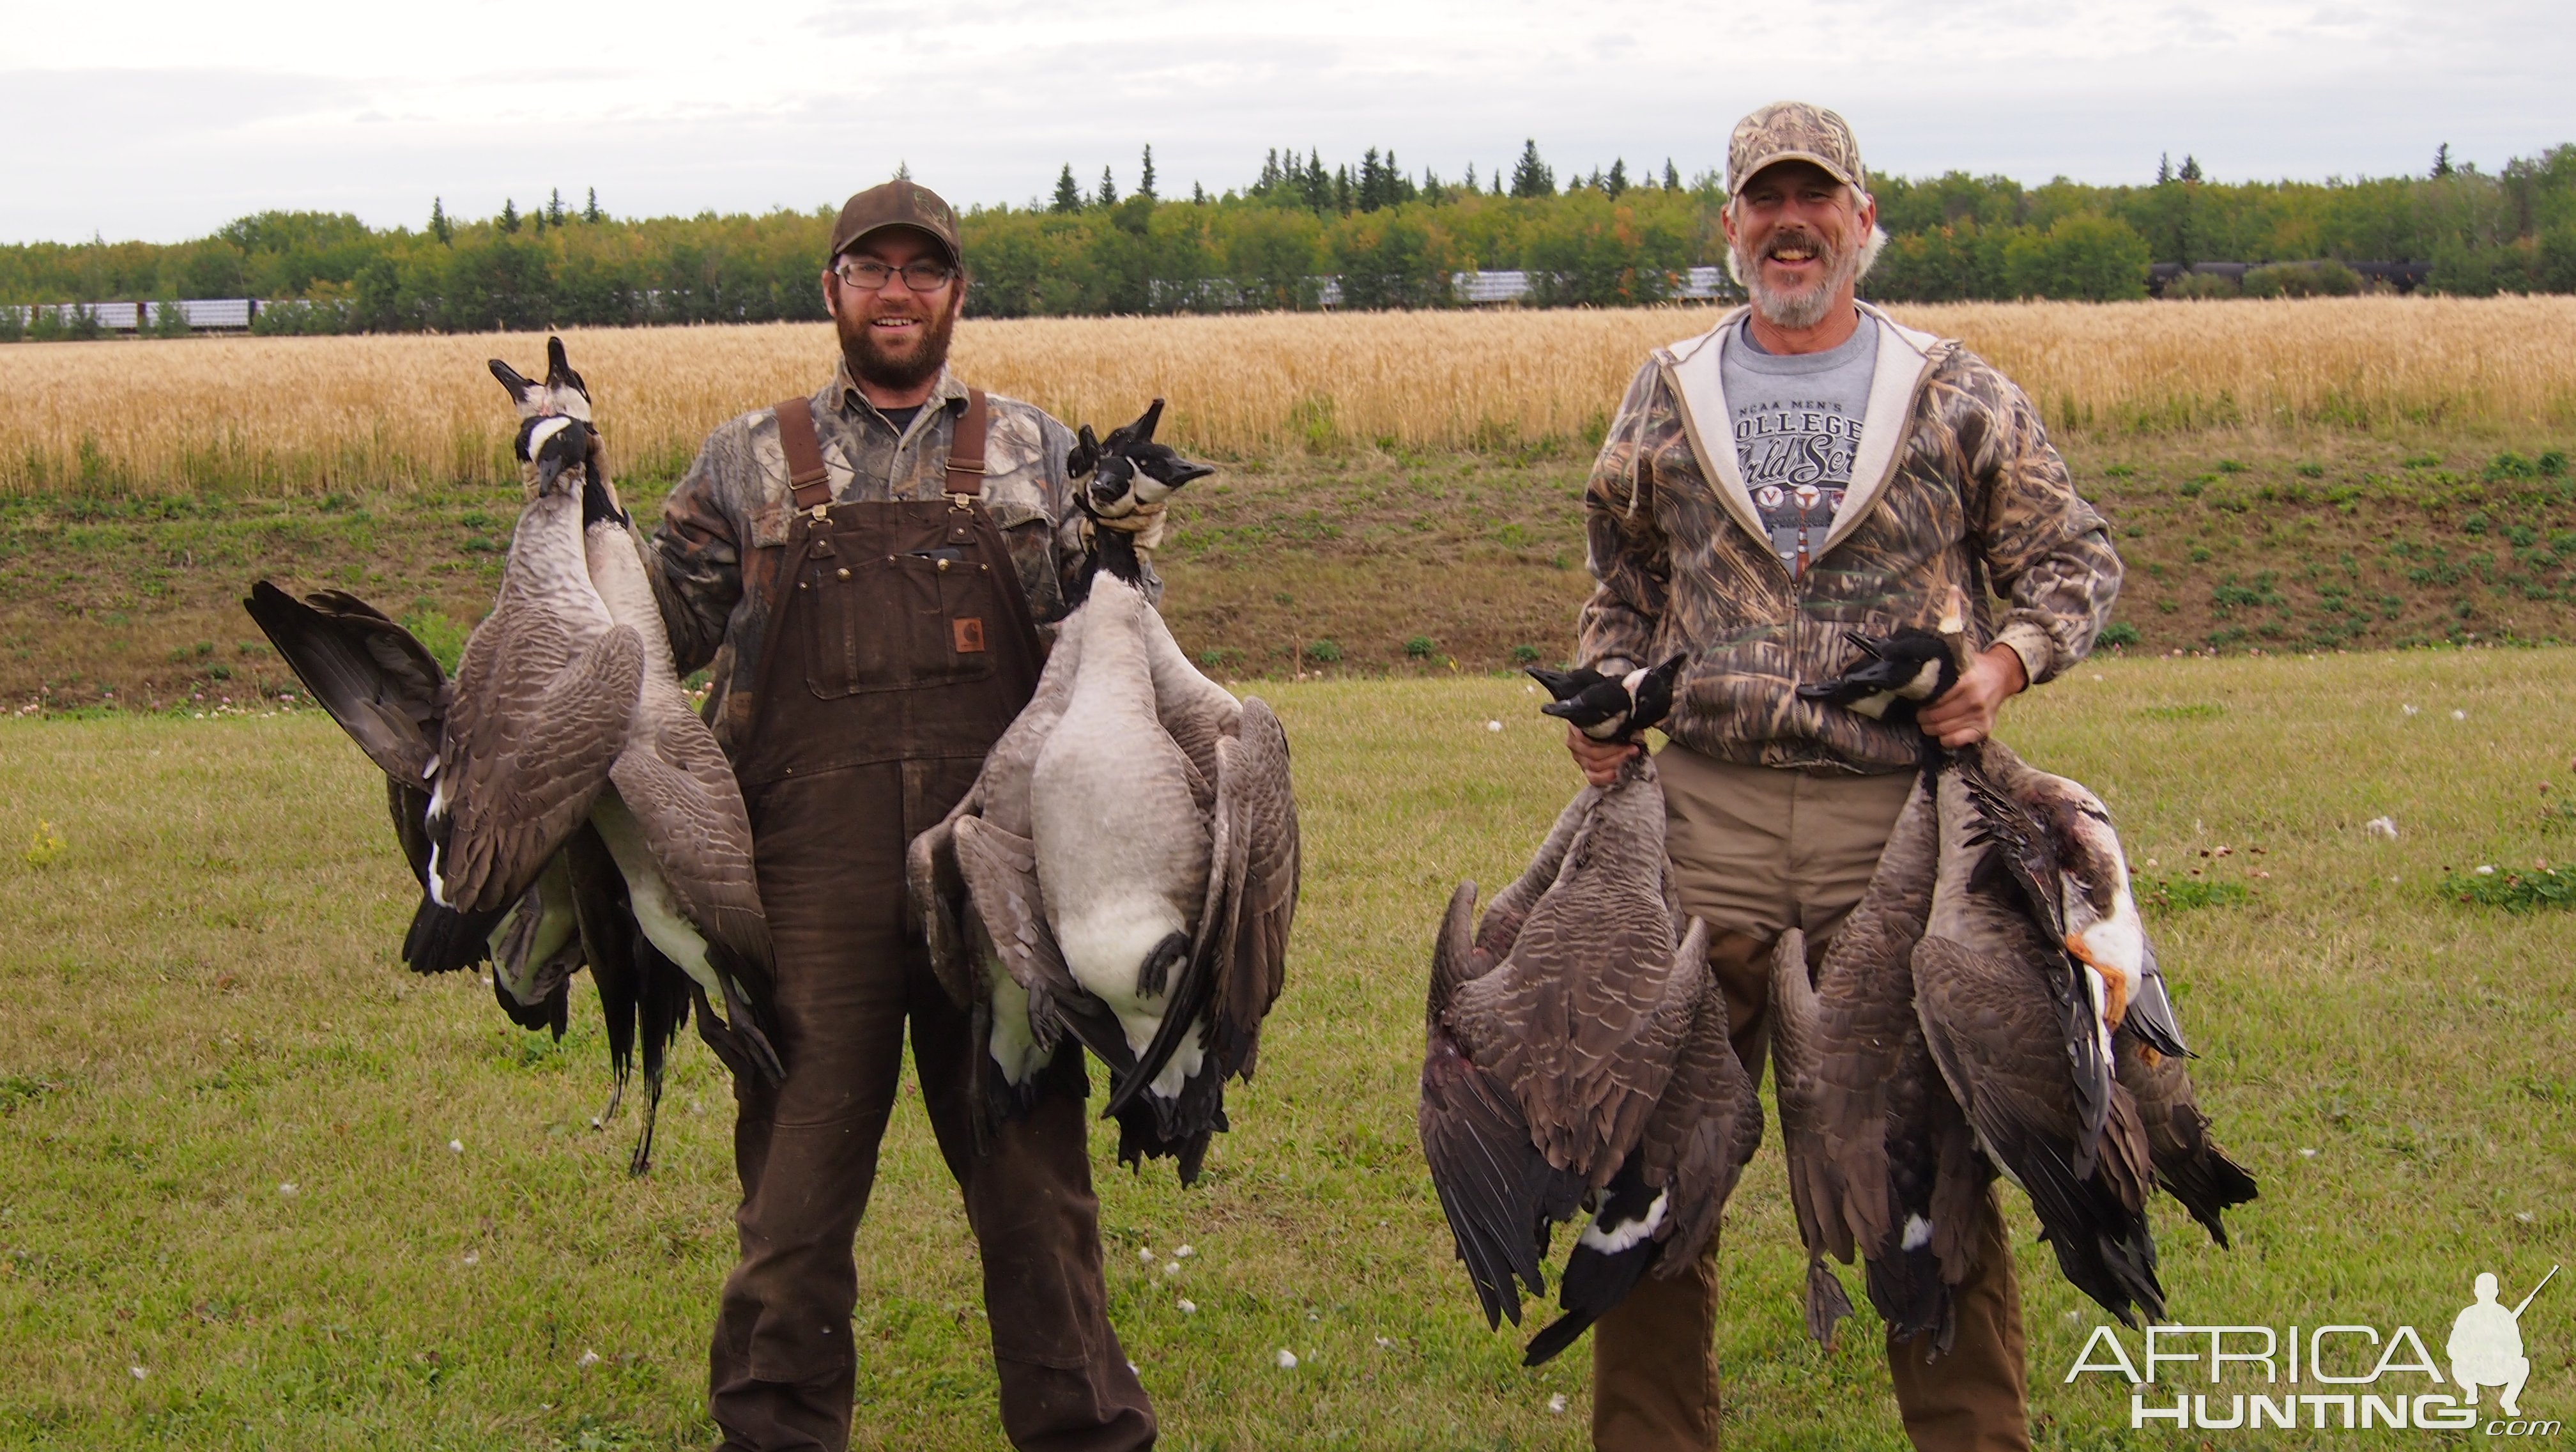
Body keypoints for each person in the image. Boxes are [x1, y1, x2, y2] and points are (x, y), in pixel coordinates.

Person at [1564, 102, 2124, 1451]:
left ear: (1865, 222)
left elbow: (2078, 560)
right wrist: (1601, 702)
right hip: (1705, 815)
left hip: (1901, 837)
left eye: (1817, 201)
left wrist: (2002, 667)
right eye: (1766, 202)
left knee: (1920, 1167)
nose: (1791, 225)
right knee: (1652, 1163)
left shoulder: (1951, 386)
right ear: (1732, 228)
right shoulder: (1670, 385)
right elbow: (1620, 579)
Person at [622, 179, 1158, 1452]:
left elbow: (1122, 644)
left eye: (924, 270)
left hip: (999, 882)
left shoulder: (1044, 453)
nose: (899, 291)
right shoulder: (746, 460)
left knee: (1036, 1199)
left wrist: (1137, 535)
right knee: (796, 1203)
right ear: (834, 290)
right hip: (808, 893)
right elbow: (644, 642)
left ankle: (1084, 1430)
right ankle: (776, 1429)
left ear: (958, 293)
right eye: (874, 269)